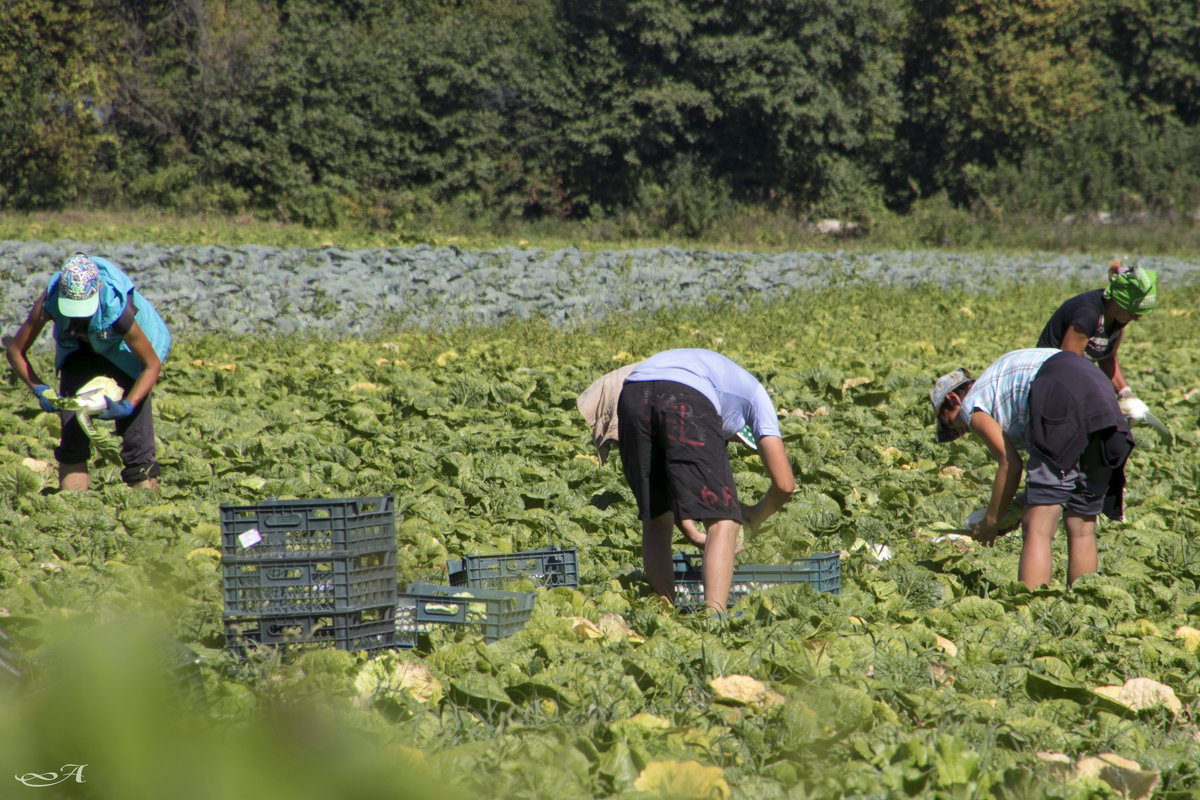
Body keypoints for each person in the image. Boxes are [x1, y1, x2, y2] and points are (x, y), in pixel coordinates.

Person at [606, 349, 795, 613]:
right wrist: (755, 515)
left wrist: (693, 532)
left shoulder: (722, 379)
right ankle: (714, 618)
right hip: (686, 395)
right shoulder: (756, 397)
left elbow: (673, 486)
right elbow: (785, 484)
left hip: (632, 394)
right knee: (724, 520)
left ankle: (663, 613)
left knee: (657, 516)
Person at [932, 348, 1134, 588]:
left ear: (954, 400)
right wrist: (1019, 505)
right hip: (1100, 394)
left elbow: (1010, 463)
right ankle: (1084, 605)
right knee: (1081, 524)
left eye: (951, 425)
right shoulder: (996, 381)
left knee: (1037, 528)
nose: (961, 431)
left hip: (1057, 393)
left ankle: (1031, 605)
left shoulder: (972, 405)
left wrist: (992, 520)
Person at [6, 253, 171, 491]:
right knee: (72, 431)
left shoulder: (117, 309)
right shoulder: (51, 301)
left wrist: (129, 405)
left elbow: (151, 365)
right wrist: (39, 389)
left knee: (137, 442)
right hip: (82, 350)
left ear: (98, 289)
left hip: (128, 353)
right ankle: (73, 505)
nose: (78, 314)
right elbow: (15, 351)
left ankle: (144, 503)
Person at [1036, 259, 1157, 399]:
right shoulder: (1088, 314)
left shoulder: (1118, 319)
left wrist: (1125, 393)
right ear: (1118, 303)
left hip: (1074, 380)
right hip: (1049, 380)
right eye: (1133, 314)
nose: (1136, 319)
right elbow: (1067, 365)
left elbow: (1107, 358)